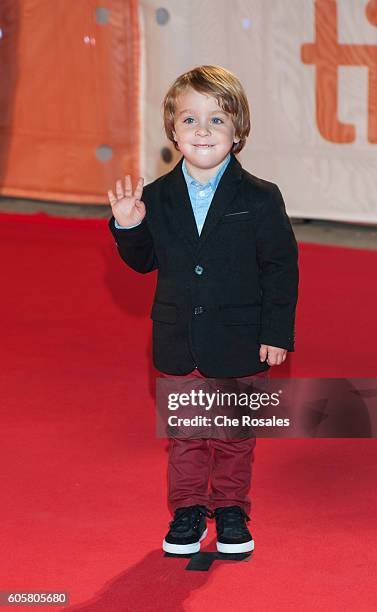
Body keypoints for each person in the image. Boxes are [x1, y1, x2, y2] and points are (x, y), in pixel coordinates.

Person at [107, 65, 299, 556]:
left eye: (217, 120)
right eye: (190, 119)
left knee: (235, 436)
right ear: (172, 130)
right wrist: (129, 226)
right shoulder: (156, 197)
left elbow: (280, 269)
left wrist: (276, 333)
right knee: (188, 436)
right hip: (179, 341)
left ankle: (232, 508)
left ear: (239, 132)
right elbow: (144, 262)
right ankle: (189, 510)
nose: (202, 130)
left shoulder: (260, 197)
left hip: (240, 338)